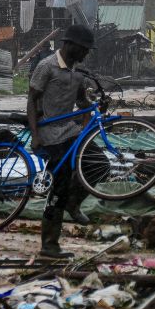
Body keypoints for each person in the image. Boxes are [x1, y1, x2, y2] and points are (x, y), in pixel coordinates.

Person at [28, 24, 96, 258]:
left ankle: (73, 203)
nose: (86, 54)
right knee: (60, 184)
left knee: (98, 164)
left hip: (69, 130)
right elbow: (31, 100)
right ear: (71, 45)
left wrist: (91, 111)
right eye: (84, 49)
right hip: (49, 132)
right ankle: (49, 245)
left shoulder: (78, 72)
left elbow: (82, 102)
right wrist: (36, 135)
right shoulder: (47, 66)